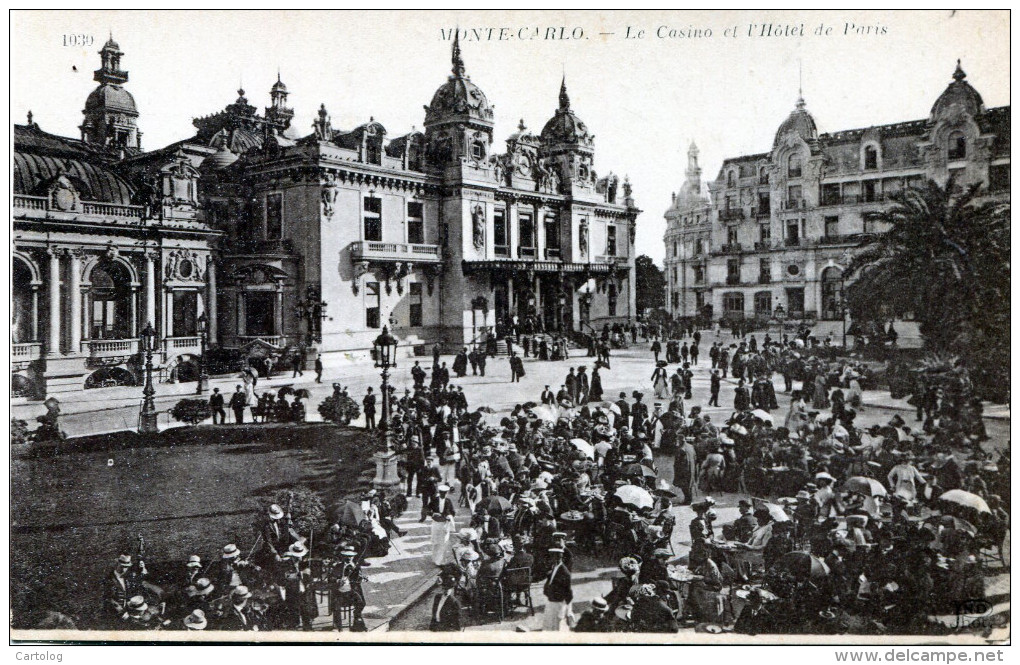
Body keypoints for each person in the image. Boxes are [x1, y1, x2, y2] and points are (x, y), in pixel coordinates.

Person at [542, 547, 574, 631]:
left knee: (558, 627)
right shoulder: (555, 567)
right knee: (549, 626)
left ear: (557, 558)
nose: (550, 559)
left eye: (552, 557)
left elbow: (568, 593)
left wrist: (567, 609)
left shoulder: (564, 572)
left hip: (558, 604)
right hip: (551, 602)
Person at [428, 484, 457, 566]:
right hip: (436, 523)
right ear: (439, 492)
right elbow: (428, 509)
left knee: (444, 542)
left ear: (446, 493)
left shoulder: (448, 501)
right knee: (436, 541)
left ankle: (441, 561)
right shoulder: (434, 500)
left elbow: (453, 512)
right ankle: (435, 559)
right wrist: (433, 514)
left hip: (445, 524)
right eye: (441, 493)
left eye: (444, 493)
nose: (443, 495)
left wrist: (449, 516)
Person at [673, 436, 697, 506]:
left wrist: (677, 470)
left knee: (684, 485)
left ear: (680, 441)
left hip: (683, 470)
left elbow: (678, 461)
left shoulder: (680, 449)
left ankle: (687, 500)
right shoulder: (691, 446)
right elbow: (695, 457)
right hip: (691, 468)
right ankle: (689, 499)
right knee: (689, 484)